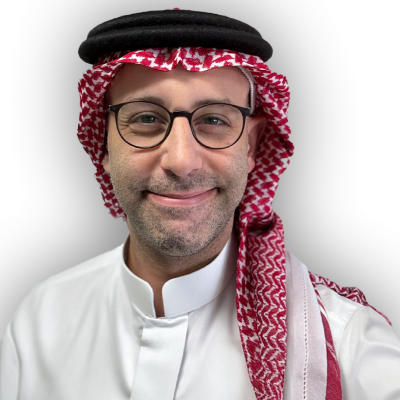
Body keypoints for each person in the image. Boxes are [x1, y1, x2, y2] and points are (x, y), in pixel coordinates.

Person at [1, 8, 399, 400]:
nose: (181, 161)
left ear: (252, 146)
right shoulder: (40, 320)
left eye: (214, 120)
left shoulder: (352, 346)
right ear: (103, 144)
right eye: (145, 119)